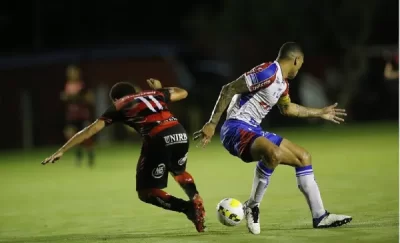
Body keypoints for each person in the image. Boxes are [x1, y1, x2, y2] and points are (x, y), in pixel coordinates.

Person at [194, 42, 352, 234]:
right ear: (296, 60)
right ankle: (253, 206)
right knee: (273, 153)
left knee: (303, 157)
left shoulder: (282, 84)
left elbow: (288, 108)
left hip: (254, 130)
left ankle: (320, 216)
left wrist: (320, 112)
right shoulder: (267, 72)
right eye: (301, 64)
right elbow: (228, 89)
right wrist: (212, 124)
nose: (300, 68)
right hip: (235, 128)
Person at [43, 79, 206, 232]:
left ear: (115, 98)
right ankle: (196, 198)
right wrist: (159, 88)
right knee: (178, 171)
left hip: (158, 137)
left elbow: (90, 130)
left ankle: (188, 208)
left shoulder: (119, 105)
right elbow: (183, 92)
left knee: (146, 191)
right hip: (179, 132)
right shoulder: (155, 94)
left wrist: (62, 149)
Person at [61, 65, 95, 167]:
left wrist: (82, 97)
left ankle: (90, 154)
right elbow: (65, 98)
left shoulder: (83, 85)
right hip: (72, 116)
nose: (72, 74)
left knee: (85, 137)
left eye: (74, 72)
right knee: (71, 135)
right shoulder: (67, 85)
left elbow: (90, 98)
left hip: (82, 115)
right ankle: (78, 154)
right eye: (70, 72)